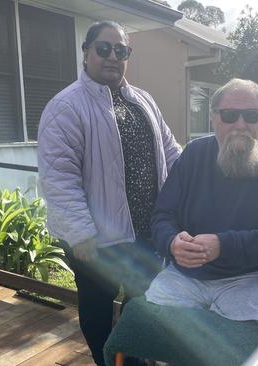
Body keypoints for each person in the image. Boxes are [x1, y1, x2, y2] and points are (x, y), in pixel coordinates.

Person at [38, 20, 181, 366]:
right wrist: (80, 233)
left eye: (122, 50)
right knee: (97, 307)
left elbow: (172, 152)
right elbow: (59, 176)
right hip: (97, 238)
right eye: (103, 48)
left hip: (145, 230)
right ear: (86, 52)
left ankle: (130, 358)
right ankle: (105, 360)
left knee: (142, 301)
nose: (112, 56)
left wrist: (202, 179)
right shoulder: (67, 106)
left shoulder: (143, 100)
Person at [146, 78, 258, 324]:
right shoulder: (193, 154)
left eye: (252, 116)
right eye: (230, 115)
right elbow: (162, 215)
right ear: (213, 118)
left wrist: (224, 245)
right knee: (144, 329)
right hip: (188, 275)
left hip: (256, 274)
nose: (240, 124)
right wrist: (171, 242)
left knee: (229, 347)